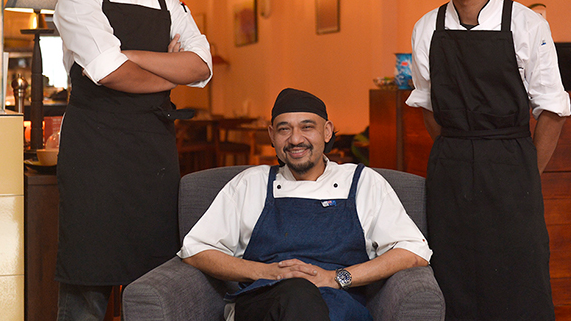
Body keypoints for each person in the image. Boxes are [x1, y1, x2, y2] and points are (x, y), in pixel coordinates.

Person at [53, 0, 212, 320]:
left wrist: (129, 54)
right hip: (95, 156)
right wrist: (169, 69)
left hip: (153, 155)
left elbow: (201, 67)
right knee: (87, 282)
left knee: (154, 281)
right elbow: (109, 72)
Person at [406, 0, 571, 321]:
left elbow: (553, 109)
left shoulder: (527, 24)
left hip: (512, 166)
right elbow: (428, 106)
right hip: (450, 169)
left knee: (521, 280)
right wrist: (459, 151)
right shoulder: (426, 28)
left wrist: (525, 171)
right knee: (452, 276)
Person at [181, 88, 432, 321]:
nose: (295, 139)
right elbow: (196, 249)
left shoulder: (363, 182)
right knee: (298, 294)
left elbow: (413, 250)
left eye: (307, 127)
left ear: (327, 131)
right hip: (265, 303)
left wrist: (337, 278)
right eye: (284, 129)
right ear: (272, 135)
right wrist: (266, 272)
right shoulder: (250, 184)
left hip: (339, 306)